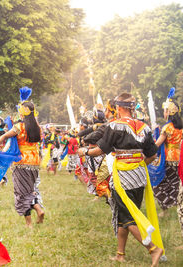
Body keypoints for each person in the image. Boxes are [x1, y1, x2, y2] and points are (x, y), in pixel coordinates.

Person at [77, 93, 164, 266]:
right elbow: (152, 154)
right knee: (125, 216)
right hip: (139, 177)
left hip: (122, 179)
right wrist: (137, 164)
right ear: (132, 107)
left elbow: (101, 150)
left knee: (127, 217)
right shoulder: (144, 127)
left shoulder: (115, 125)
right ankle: (120, 254)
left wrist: (84, 152)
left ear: (118, 107)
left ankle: (154, 249)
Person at [0, 100, 44, 228]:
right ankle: (38, 209)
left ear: (22, 113)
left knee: (21, 192)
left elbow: (3, 137)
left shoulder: (19, 127)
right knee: (30, 190)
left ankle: (30, 222)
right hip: (35, 162)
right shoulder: (37, 127)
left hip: (21, 162)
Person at [153, 99, 182, 217]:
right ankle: (177, 204)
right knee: (175, 184)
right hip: (180, 158)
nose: (164, 113)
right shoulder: (180, 126)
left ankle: (165, 210)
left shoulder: (167, 127)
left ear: (169, 112)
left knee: (158, 185)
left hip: (169, 160)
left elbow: (157, 144)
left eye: (165, 111)